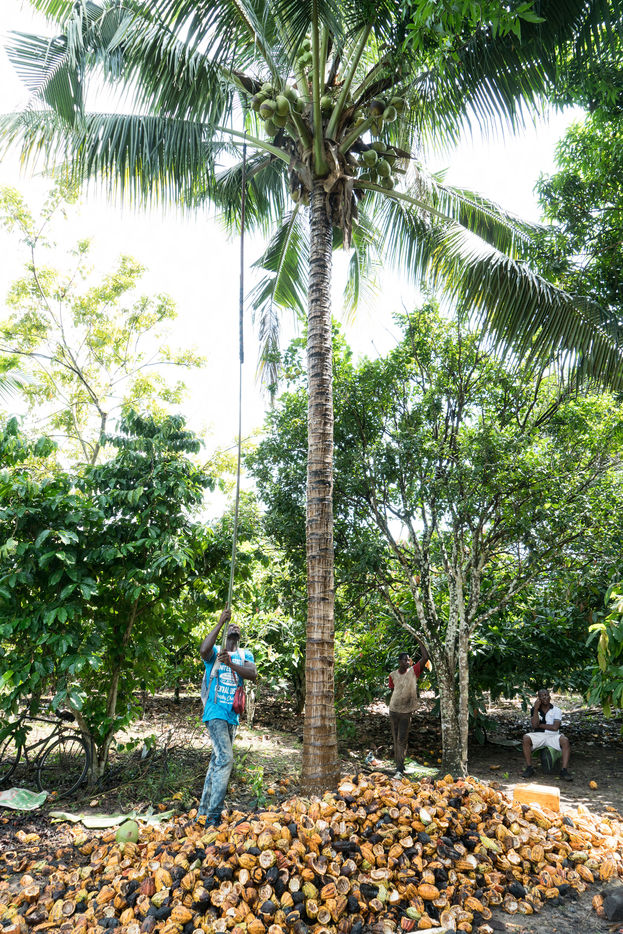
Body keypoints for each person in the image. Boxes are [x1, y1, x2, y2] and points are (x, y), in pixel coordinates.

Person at [198, 608, 257, 825]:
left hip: (232, 716)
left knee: (216, 762)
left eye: (236, 627)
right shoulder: (215, 652)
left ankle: (202, 813)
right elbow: (203, 650)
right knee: (225, 758)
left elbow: (252, 673)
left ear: (239, 636)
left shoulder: (244, 655)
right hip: (215, 713)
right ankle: (213, 816)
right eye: (230, 626)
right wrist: (221, 621)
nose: (234, 627)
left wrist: (230, 663)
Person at [387, 637, 429, 776]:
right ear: (399, 661)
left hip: (406, 712)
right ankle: (399, 764)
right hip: (394, 710)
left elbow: (425, 657)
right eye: (405, 660)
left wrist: (419, 640)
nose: (407, 662)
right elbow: (393, 690)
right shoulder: (392, 675)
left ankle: (399, 767)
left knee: (402, 738)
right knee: (396, 738)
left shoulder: (413, 671)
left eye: (408, 660)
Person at [521, 687, 572, 781]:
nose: (544, 697)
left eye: (546, 695)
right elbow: (534, 725)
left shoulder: (556, 710)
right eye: (542, 696)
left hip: (553, 735)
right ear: (539, 699)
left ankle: (564, 770)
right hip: (539, 735)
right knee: (526, 738)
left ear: (550, 697)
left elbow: (555, 727)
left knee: (565, 741)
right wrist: (536, 709)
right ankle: (529, 768)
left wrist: (540, 725)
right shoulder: (534, 710)